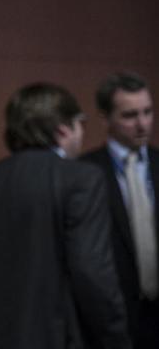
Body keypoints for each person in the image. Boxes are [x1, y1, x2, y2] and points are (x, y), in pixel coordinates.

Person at [0, 83, 130, 349]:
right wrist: (116, 338)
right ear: (63, 129)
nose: (82, 133)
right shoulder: (82, 179)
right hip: (62, 338)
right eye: (80, 123)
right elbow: (92, 272)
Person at [80, 72, 158, 348]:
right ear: (105, 118)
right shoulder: (84, 172)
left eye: (148, 112)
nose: (142, 124)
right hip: (111, 319)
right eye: (130, 115)